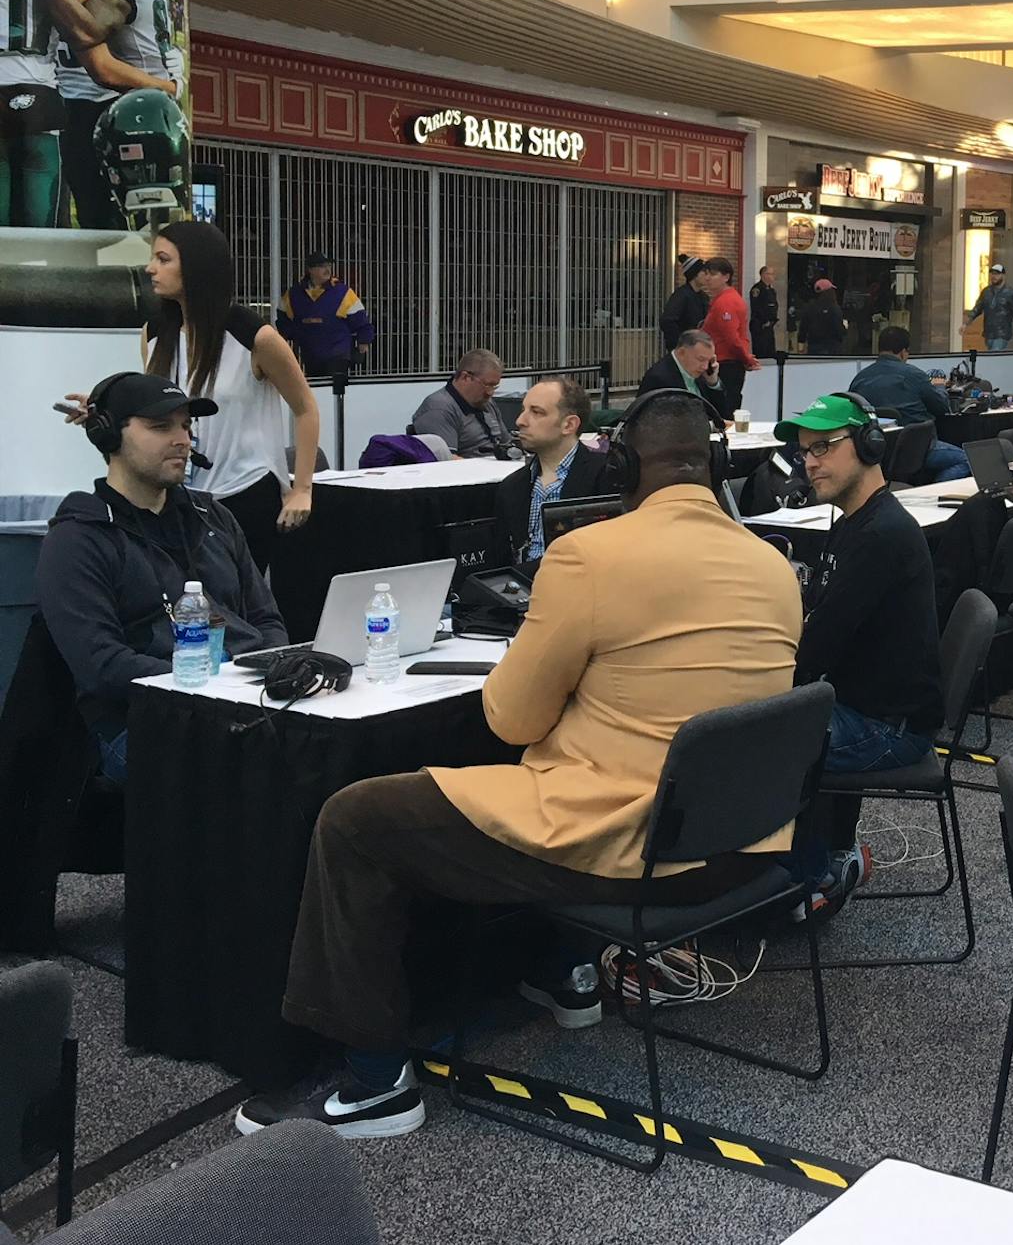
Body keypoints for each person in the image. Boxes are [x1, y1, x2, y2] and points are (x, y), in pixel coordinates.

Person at [238, 392, 801, 1139]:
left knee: (355, 821)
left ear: (621, 466)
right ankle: (565, 973)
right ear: (716, 465)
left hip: (638, 850)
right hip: (744, 848)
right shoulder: (773, 565)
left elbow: (510, 720)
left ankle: (375, 1084)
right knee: (561, 767)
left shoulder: (588, 555)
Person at [38, 373, 288, 782]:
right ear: (109, 436)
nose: (182, 440)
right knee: (268, 768)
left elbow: (267, 621)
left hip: (243, 704)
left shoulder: (213, 518)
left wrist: (270, 670)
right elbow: (102, 666)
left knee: (327, 748)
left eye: (186, 426)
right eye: (160, 427)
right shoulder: (78, 539)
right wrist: (214, 681)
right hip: (142, 724)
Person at [66, 221, 322, 571]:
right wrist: (102, 410)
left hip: (245, 492)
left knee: (234, 596)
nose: (150, 269)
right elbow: (157, 408)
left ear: (196, 265)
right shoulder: (155, 333)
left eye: (163, 259)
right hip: (178, 495)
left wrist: (302, 489)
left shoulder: (254, 336)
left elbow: (305, 408)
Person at [777, 392, 945, 910]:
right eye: (805, 451)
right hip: (866, 705)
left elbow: (814, 654)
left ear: (869, 446)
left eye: (823, 447)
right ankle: (831, 853)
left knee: (757, 743)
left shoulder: (880, 535)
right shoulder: (854, 522)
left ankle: (812, 883)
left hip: (888, 727)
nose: (810, 462)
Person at [4, 0, 178, 230]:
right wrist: (169, 84)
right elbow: (98, 56)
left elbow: (95, 44)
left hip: (98, 106)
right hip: (95, 103)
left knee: (97, 216)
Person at [487, 376, 608, 566]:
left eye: (536, 412)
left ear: (569, 425)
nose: (520, 421)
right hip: (522, 581)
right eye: (523, 410)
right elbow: (500, 561)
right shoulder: (512, 487)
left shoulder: (605, 476)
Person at [850, 326, 968, 482]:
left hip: (875, 451)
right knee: (967, 460)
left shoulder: (859, 378)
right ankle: (934, 494)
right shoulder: (915, 375)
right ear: (903, 352)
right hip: (915, 450)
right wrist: (939, 386)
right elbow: (941, 407)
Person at [276, 250, 375, 380]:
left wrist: (364, 341)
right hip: (309, 355)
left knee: (334, 387)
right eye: (322, 266)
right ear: (310, 269)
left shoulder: (342, 292)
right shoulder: (294, 294)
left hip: (338, 355)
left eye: (329, 265)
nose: (327, 269)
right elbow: (282, 320)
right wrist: (294, 334)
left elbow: (361, 320)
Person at [411, 348, 512, 458]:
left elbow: (507, 444)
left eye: (495, 386)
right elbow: (446, 459)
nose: (490, 392)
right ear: (465, 377)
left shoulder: (487, 403)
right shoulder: (438, 410)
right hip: (469, 467)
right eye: (487, 385)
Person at [696, 258, 759, 414]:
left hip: (725, 364)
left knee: (723, 408)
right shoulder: (722, 299)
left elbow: (731, 337)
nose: (708, 278)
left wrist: (746, 358)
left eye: (713, 274)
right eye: (706, 273)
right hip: (722, 362)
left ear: (726, 276)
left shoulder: (726, 302)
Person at [639, 328, 733, 426]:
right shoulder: (659, 378)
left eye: (709, 360)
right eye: (701, 359)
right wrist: (712, 426)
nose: (705, 366)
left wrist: (712, 382)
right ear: (681, 353)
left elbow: (723, 414)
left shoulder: (699, 372)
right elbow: (666, 425)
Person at [658, 258, 717, 355]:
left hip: (699, 348)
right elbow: (667, 320)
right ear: (694, 274)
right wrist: (679, 344)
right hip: (684, 350)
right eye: (704, 272)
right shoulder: (681, 295)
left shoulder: (704, 297)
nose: (707, 277)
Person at [963, 263, 1013, 350]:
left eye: (997, 274)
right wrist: (966, 323)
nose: (994, 276)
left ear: (1003, 275)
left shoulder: (1010, 293)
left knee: (994, 352)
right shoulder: (986, 292)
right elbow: (977, 308)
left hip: (1002, 333)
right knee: (992, 354)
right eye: (992, 274)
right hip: (988, 333)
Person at [799, 278, 847, 356]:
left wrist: (801, 348)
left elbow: (803, 329)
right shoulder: (834, 308)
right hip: (832, 349)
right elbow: (839, 330)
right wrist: (845, 327)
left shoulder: (809, 308)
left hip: (813, 348)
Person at [749, 264, 779, 360]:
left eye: (773, 274)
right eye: (769, 274)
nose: (772, 276)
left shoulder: (771, 290)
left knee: (770, 352)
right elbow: (756, 307)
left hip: (769, 325)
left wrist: (773, 320)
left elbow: (774, 306)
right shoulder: (757, 289)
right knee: (761, 351)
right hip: (760, 325)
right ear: (763, 275)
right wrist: (764, 321)